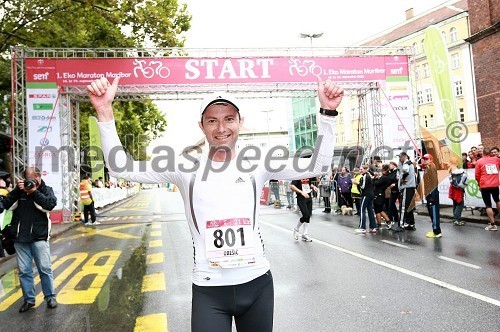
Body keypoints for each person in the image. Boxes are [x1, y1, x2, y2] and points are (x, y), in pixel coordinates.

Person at [87, 76, 343, 332]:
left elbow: (317, 166)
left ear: (240, 122)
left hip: (257, 284)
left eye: (229, 119)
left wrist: (328, 114)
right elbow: (121, 168)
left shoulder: (258, 163)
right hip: (209, 289)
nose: (221, 128)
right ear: (202, 125)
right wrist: (104, 111)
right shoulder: (185, 167)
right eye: (212, 120)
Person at [0, 167, 58, 312]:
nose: (30, 181)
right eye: (27, 178)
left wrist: (33, 192)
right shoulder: (19, 191)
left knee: (45, 268)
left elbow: (49, 205)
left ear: (38, 176)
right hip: (20, 238)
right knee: (24, 271)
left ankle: (50, 297)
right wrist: (17, 190)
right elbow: (6, 205)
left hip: (39, 236)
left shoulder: (46, 189)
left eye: (32, 177)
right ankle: (29, 300)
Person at [475, 147, 500, 231]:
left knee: (488, 205)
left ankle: (493, 224)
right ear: (490, 153)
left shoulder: (479, 161)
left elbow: (477, 175)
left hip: (485, 185)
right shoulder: (496, 159)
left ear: (483, 153)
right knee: (497, 200)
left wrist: (479, 183)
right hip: (495, 184)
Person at [421, 154, 441, 238]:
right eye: (424, 159)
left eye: (426, 159)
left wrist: (432, 195)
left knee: (434, 212)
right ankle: (435, 229)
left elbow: (434, 182)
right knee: (431, 212)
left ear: (430, 159)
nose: (424, 161)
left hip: (432, 193)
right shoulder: (428, 168)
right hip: (429, 193)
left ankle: (436, 231)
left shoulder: (431, 167)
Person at [354, 165, 377, 234]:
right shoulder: (368, 176)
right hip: (370, 195)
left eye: (361, 169)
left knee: (362, 210)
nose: (360, 171)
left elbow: (362, 186)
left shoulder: (365, 176)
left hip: (366, 195)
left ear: (365, 169)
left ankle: (362, 227)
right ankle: (373, 227)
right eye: (360, 169)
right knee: (370, 210)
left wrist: (356, 183)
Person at [397, 152, 417, 231]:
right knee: (409, 207)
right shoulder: (410, 163)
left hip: (406, 188)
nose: (399, 159)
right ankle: (410, 224)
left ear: (404, 157)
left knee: (403, 207)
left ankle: (401, 225)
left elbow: (405, 171)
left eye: (400, 157)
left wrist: (401, 179)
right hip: (410, 188)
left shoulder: (407, 163)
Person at [387, 161, 400, 229]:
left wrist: (395, 184)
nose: (390, 166)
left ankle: (390, 219)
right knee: (391, 204)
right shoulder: (390, 172)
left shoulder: (397, 172)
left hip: (397, 189)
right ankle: (396, 218)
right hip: (392, 190)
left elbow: (399, 179)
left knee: (391, 204)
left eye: (391, 165)